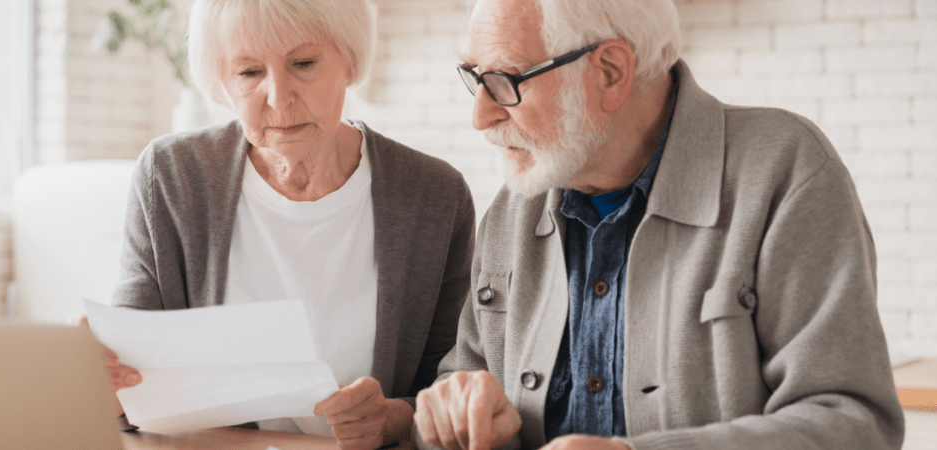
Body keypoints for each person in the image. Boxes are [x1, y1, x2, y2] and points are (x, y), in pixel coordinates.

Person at [412, 0, 905, 449]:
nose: (481, 116)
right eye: (475, 77)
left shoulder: (784, 172)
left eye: (505, 80)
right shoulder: (512, 210)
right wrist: (457, 416)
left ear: (610, 72)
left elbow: (854, 424)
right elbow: (459, 384)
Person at [96, 0, 475, 449]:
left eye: (304, 63)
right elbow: (130, 382)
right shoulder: (170, 177)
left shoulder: (435, 196)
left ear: (349, 59)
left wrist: (392, 420)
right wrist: (103, 376)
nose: (278, 97)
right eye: (248, 72)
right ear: (222, 80)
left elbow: (456, 384)